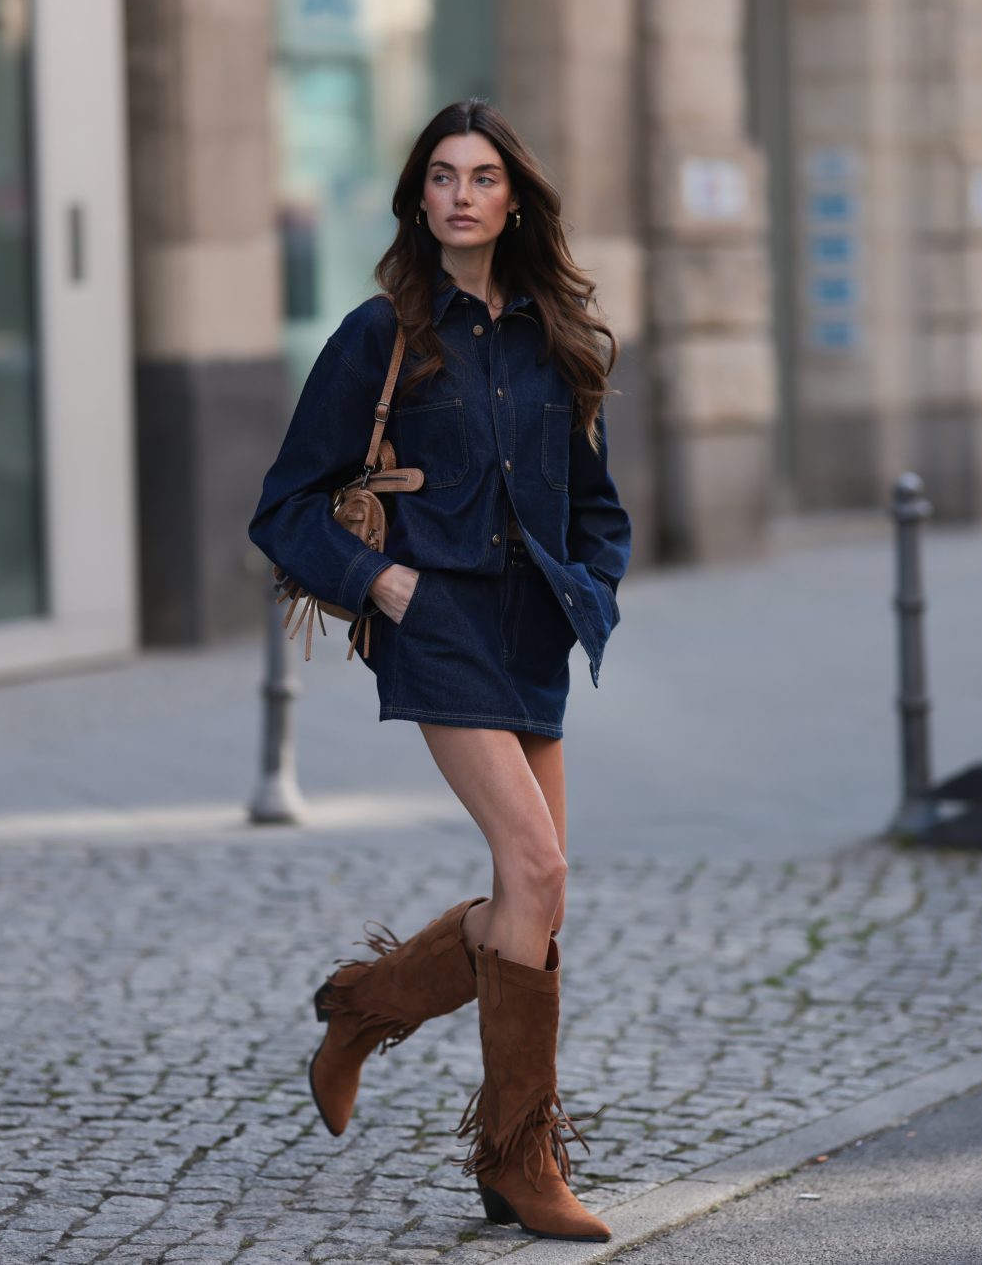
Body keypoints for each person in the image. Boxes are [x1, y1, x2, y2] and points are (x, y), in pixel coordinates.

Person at [247, 98, 631, 1243]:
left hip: (533, 628)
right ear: (418, 199)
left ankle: (360, 1008)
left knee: (537, 895)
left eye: (482, 177)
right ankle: (518, 1158)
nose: (461, 195)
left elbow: (597, 504)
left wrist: (592, 586)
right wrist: (380, 585)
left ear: (514, 201)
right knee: (534, 862)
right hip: (439, 624)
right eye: (442, 177)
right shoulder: (380, 334)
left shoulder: (555, 337)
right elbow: (282, 506)